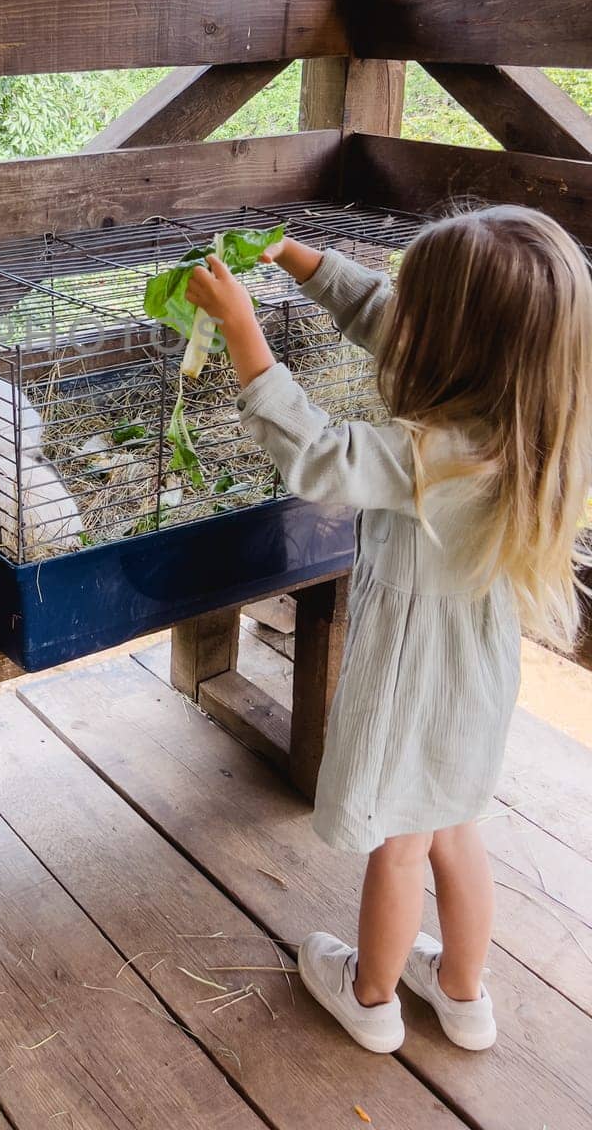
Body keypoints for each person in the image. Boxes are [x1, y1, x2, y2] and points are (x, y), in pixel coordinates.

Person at [184, 206, 592, 1054]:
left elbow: (320, 456)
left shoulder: (443, 454)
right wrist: (297, 257)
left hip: (412, 672)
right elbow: (387, 318)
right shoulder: (531, 418)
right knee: (454, 826)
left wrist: (243, 333)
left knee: (401, 843)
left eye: (421, 304)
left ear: (456, 345)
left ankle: (369, 997)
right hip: (475, 668)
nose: (400, 312)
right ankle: (462, 992)